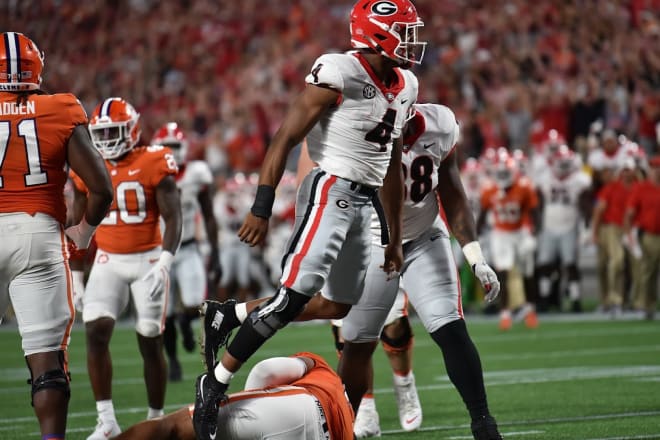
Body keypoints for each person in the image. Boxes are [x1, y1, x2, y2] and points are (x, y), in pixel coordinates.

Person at [194, 1, 424, 438]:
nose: (412, 40)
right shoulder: (339, 70)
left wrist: (393, 236)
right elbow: (286, 136)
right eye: (403, 30)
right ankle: (215, 382)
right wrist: (261, 207)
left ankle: (230, 315)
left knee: (339, 305)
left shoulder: (407, 83)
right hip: (330, 189)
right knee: (293, 298)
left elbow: (393, 161)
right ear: (376, 34)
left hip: (369, 202)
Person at [0, 32, 113, 440]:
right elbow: (101, 189)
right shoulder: (61, 107)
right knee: (47, 362)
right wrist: (82, 232)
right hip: (37, 232)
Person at [70, 97, 182, 439]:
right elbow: (78, 220)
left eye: (115, 131)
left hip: (147, 259)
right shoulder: (87, 165)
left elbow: (172, 216)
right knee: (95, 332)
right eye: (101, 133)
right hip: (108, 260)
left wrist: (164, 262)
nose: (107, 140)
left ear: (133, 130)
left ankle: (156, 417)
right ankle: (106, 421)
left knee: (150, 340)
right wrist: (75, 273)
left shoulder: (154, 159)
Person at [114, 352, 353, 440]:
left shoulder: (325, 373)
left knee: (174, 428)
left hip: (304, 409)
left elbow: (266, 370)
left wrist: (248, 398)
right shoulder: (347, 427)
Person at [151, 122, 220, 382]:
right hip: (159, 252)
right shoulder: (148, 174)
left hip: (189, 246)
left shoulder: (196, 172)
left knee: (194, 306)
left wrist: (216, 253)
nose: (170, 151)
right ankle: (174, 362)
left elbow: (209, 215)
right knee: (163, 315)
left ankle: (185, 322)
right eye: (165, 146)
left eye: (174, 146)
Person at [330, 286, 422, 437]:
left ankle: (405, 384)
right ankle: (366, 412)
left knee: (395, 328)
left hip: (380, 264)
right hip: (342, 267)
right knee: (348, 336)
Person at [478, 149, 539, 331]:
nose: (503, 176)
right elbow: (482, 213)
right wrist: (477, 237)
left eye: (506, 173)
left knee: (527, 272)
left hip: (520, 232)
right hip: (500, 234)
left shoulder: (524, 186)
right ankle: (505, 313)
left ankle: (529, 310)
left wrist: (533, 232)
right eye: (501, 173)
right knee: (502, 273)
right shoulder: (490, 188)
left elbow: (534, 212)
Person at [535, 145, 592, 312]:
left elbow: (585, 205)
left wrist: (585, 226)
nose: (563, 167)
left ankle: (575, 300)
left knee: (570, 265)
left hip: (569, 226)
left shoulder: (579, 179)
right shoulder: (545, 177)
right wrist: (537, 226)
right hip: (549, 226)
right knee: (545, 265)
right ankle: (545, 299)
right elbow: (538, 205)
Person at [623, 156, 660, 320]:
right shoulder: (641, 189)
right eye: (654, 167)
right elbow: (630, 213)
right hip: (650, 235)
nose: (657, 170)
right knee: (648, 272)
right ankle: (647, 305)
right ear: (649, 170)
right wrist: (629, 234)